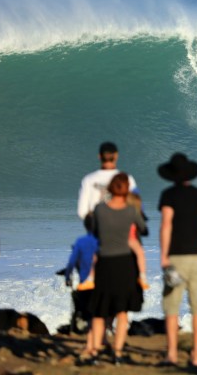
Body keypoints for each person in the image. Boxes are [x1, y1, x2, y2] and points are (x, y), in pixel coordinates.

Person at [79, 173, 146, 366]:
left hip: (105, 263)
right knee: (122, 311)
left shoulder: (99, 210)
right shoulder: (131, 211)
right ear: (126, 190)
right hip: (124, 264)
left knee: (100, 311)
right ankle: (117, 353)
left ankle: (95, 353)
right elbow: (142, 228)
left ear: (109, 189)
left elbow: (95, 232)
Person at [157, 153, 197, 368]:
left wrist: (164, 255)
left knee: (172, 307)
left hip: (176, 257)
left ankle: (172, 355)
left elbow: (166, 225)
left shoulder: (168, 195)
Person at [76, 142, 148, 291]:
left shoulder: (89, 179)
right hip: (125, 236)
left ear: (99, 156)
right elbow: (138, 205)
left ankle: (91, 280)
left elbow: (82, 212)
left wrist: (96, 229)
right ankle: (141, 277)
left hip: (98, 235)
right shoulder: (127, 178)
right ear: (116, 156)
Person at [63, 215, 98, 353]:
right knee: (99, 315)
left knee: (87, 315)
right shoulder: (102, 242)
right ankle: (101, 340)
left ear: (85, 226)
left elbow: (71, 263)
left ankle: (90, 343)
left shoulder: (80, 242)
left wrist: (67, 277)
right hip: (100, 285)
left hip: (85, 286)